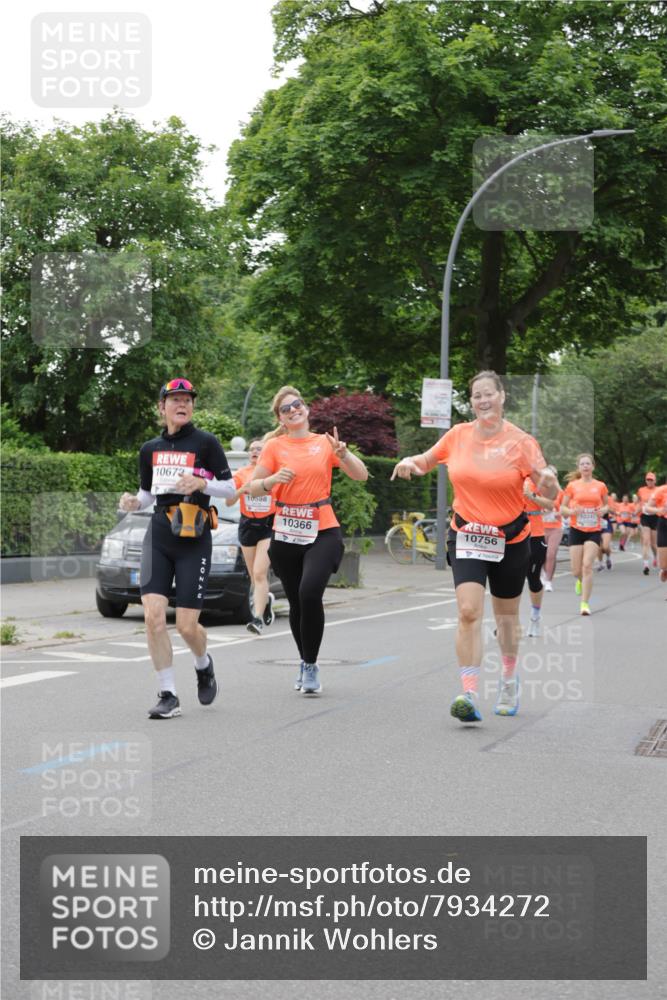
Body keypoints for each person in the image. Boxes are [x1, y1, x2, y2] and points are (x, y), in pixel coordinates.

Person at [392, 370, 557, 724]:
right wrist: (410, 462)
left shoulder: (522, 442)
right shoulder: (458, 435)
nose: (483, 401)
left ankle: (509, 680)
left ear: (502, 396)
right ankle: (468, 692)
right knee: (468, 611)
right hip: (466, 534)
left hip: (510, 540)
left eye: (489, 394)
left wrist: (551, 483)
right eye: (476, 396)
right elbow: (426, 459)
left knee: (506, 619)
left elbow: (547, 493)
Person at [119, 378, 236, 719]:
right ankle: (168, 693)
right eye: (175, 400)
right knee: (153, 616)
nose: (182, 404)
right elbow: (147, 495)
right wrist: (131, 502)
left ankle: (203, 663)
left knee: (186, 626)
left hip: (193, 536)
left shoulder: (206, 443)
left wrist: (203, 483)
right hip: (159, 533)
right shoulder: (149, 449)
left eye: (187, 400)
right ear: (162, 407)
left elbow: (230, 489)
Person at [247, 387, 368, 694]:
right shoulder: (274, 447)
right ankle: (305, 660)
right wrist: (271, 481)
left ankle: (312, 666)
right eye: (286, 409)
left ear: (306, 409)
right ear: (280, 418)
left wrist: (345, 454)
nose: (293, 410)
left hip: (322, 528)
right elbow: (252, 488)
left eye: (296, 405)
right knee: (298, 601)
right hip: (286, 530)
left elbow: (361, 475)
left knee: (310, 591)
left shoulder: (324, 443)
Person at [226, 439, 277, 635]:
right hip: (247, 525)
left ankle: (257, 619)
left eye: (259, 449)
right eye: (252, 449)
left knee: (259, 573)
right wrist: (242, 489)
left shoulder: (272, 473)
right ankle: (266, 601)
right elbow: (229, 501)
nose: (255, 452)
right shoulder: (242, 474)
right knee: (254, 578)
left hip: (267, 526)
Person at [559, 454, 608, 616]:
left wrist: (602, 511)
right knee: (576, 570)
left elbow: (607, 506)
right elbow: (562, 509)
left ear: (593, 467)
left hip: (593, 530)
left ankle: (584, 603)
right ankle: (579, 580)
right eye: (582, 464)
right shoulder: (572, 486)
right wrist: (573, 511)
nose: (585, 466)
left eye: (588, 463)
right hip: (576, 529)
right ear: (579, 468)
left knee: (587, 565)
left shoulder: (600, 486)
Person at [522, 474, 556, 636]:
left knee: (533, 579)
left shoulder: (539, 479)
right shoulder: (508, 476)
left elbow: (550, 505)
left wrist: (532, 496)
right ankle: (506, 623)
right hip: (511, 534)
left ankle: (535, 617)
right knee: (507, 579)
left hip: (534, 534)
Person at [541, 469, 564, 592]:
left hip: (555, 527)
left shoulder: (560, 492)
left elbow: (566, 507)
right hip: (541, 527)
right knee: (540, 555)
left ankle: (549, 581)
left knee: (551, 554)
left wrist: (557, 512)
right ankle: (543, 574)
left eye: (554, 475)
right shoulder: (539, 490)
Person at [645, 483, 667, 587]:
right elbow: (647, 508)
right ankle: (664, 569)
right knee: (663, 565)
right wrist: (659, 510)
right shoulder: (661, 490)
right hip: (664, 525)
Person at [637, 471, 659, 575]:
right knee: (646, 541)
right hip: (645, 517)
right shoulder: (641, 490)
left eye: (651, 480)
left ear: (655, 481)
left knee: (654, 544)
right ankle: (646, 565)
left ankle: (655, 556)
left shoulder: (659, 490)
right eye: (647, 480)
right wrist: (636, 511)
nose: (649, 481)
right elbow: (639, 502)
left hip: (655, 517)